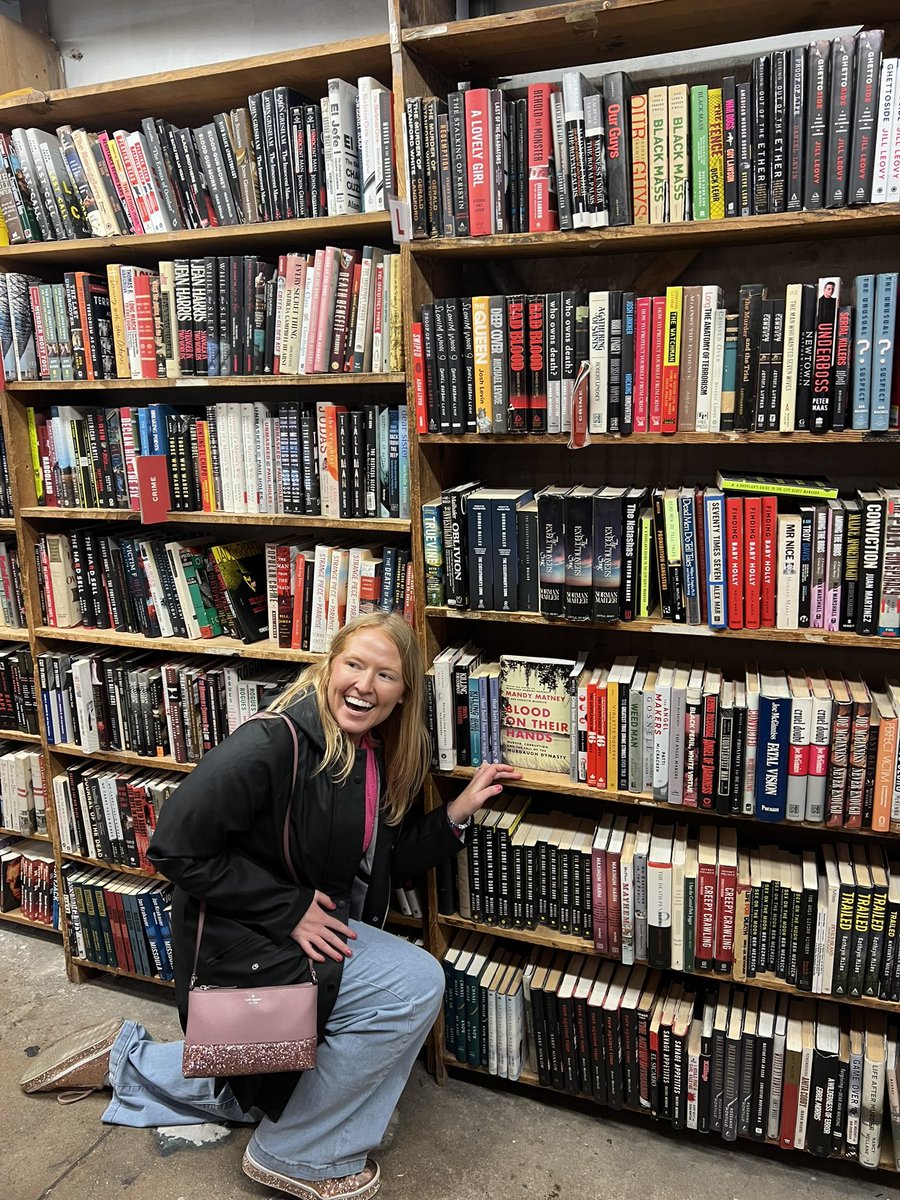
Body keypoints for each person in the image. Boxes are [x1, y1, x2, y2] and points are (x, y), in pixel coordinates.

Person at [21, 612, 520, 1200]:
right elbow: (175, 848)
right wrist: (285, 908)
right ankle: (297, 1156)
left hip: (299, 935)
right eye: (354, 664)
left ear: (405, 691)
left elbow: (390, 864)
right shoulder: (271, 741)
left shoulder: (374, 753)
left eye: (385, 675)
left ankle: (125, 1060)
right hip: (246, 939)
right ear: (329, 665)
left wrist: (456, 813)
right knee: (411, 984)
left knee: (265, 1079)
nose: (364, 685)